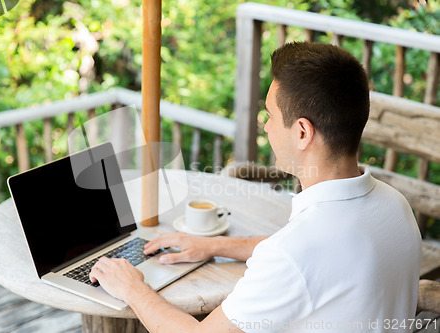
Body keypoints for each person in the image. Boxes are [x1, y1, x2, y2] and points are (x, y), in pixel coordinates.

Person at [90, 42, 422, 332]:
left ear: (302, 132)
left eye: (271, 115)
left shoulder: (296, 251)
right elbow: (316, 257)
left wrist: (133, 288)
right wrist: (215, 246)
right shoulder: (394, 206)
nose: (266, 127)